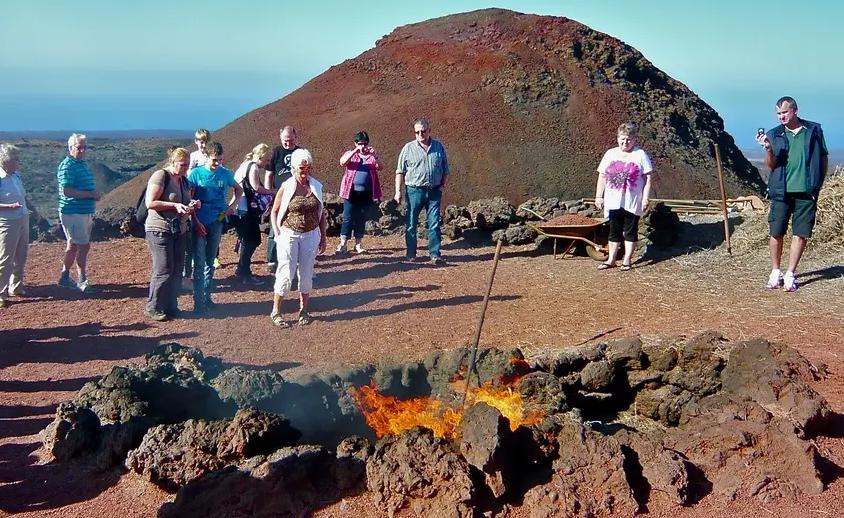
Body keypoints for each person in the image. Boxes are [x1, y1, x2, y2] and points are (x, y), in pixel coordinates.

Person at [756, 96, 829, 292]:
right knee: (776, 232)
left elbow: (823, 157)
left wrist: (818, 185)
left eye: (784, 112)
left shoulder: (813, 131)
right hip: (781, 192)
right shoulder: (774, 134)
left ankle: (790, 273)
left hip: (806, 192)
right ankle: (775, 271)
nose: (781, 117)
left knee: (801, 233)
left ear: (795, 110)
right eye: (778, 114)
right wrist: (768, 149)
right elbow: (771, 165)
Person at [269, 148, 327, 328]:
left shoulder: (316, 186)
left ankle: (304, 309)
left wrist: (323, 236)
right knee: (286, 272)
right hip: (289, 234)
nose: (305, 171)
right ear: (294, 168)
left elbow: (321, 212)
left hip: (310, 234)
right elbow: (275, 211)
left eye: (308, 167)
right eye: (302, 168)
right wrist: (277, 232)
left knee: (307, 271)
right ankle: (276, 311)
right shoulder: (287, 187)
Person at [187, 142, 242, 314]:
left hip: (217, 219)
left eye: (220, 160)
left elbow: (238, 189)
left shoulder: (225, 173)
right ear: (207, 157)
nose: (217, 163)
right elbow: (189, 198)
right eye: (214, 160)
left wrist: (232, 206)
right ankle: (198, 301)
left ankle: (206, 296)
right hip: (199, 220)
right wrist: (195, 220)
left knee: (210, 261)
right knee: (199, 261)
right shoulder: (195, 174)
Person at [143, 147, 197, 321]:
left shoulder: (183, 180)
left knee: (177, 269)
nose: (185, 168)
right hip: (160, 228)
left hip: (178, 229)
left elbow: (185, 201)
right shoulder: (161, 176)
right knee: (164, 268)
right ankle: (153, 306)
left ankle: (171, 306)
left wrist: (192, 205)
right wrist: (174, 206)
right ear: (173, 162)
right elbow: (150, 203)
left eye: (187, 165)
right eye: (182, 164)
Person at [594, 122, 653, 271]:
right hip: (613, 200)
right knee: (613, 231)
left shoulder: (640, 155)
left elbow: (647, 178)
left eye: (628, 139)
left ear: (634, 140)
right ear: (617, 138)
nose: (625, 142)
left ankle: (627, 260)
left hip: (632, 201)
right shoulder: (610, 154)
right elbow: (602, 176)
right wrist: (598, 196)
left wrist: (645, 197)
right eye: (622, 138)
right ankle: (611, 259)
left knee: (630, 231)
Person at [394, 119, 449, 265]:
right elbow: (400, 171)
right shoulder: (408, 148)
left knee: (434, 223)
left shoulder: (438, 147)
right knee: (411, 223)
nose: (420, 134)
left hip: (434, 191)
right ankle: (411, 254)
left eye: (423, 131)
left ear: (429, 130)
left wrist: (442, 185)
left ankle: (435, 255)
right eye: (417, 132)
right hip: (414, 191)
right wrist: (398, 192)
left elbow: (445, 168)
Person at [57, 133, 100, 292]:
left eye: (84, 147)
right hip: (73, 211)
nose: (82, 151)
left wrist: (93, 194)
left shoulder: (81, 164)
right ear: (70, 148)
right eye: (78, 147)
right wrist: (90, 195)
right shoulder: (67, 166)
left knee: (74, 245)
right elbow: (67, 191)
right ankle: (82, 279)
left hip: (83, 211)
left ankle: (65, 276)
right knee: (83, 246)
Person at [232, 143, 275, 283]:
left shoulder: (245, 164)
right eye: (267, 159)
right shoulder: (253, 167)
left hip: (239, 207)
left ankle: (242, 270)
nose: (267, 163)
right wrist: (273, 192)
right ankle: (244, 272)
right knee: (253, 240)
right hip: (246, 209)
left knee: (247, 239)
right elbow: (256, 188)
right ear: (261, 156)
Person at [337, 130, 383, 254]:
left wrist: (375, 156)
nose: (362, 147)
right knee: (347, 217)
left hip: (366, 192)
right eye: (360, 144)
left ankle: (358, 244)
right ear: (355, 143)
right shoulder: (350, 154)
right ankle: (343, 243)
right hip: (351, 192)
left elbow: (380, 167)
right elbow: (342, 162)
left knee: (361, 218)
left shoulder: (371, 157)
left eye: (364, 144)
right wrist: (354, 152)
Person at [265, 126, 300, 272]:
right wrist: (268, 194)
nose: (287, 143)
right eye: (285, 141)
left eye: (290, 140)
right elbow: (269, 174)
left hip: (296, 196)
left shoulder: (301, 152)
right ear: (280, 138)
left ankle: (294, 258)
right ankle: (272, 260)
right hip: (278, 194)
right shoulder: (276, 152)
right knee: (275, 227)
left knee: (296, 227)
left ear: (295, 137)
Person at [0, 144, 29, 308]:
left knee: (21, 255)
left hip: (22, 217)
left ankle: (16, 287)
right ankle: (1, 292)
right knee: (5, 258)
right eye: (15, 159)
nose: (18, 162)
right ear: (6, 161)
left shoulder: (16, 175)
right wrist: (8, 207)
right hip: (7, 222)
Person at [183, 129, 212, 289]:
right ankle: (187, 276)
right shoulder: (193, 157)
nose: (203, 144)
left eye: (205, 141)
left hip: (207, 202)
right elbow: (188, 178)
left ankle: (210, 262)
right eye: (200, 141)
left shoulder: (210, 157)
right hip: (193, 199)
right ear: (196, 141)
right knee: (190, 239)